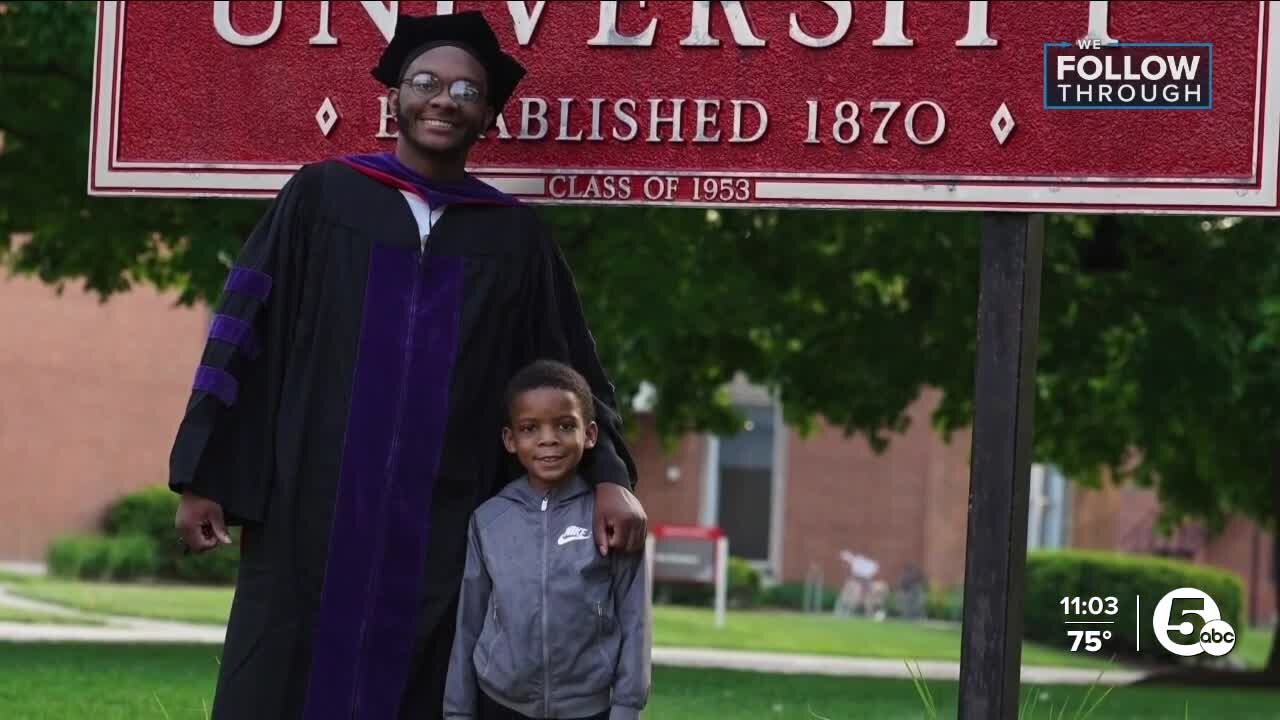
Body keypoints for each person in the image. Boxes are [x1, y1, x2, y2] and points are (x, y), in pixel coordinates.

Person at [168, 11, 646, 719]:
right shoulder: (322, 196)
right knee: (282, 674)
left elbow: (568, 369)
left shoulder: (513, 238)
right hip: (311, 503)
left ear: (488, 115)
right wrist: (205, 474)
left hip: (445, 518)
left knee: (426, 685)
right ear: (395, 95)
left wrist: (610, 477)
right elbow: (243, 336)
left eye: (466, 90)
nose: (444, 98)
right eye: (426, 81)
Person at [444, 360, 650, 720]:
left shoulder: (609, 517)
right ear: (510, 440)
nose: (548, 438)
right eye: (530, 428)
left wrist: (626, 708)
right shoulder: (489, 520)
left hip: (588, 709)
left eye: (565, 425)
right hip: (502, 703)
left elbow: (635, 619)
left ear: (589, 435)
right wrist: (458, 711)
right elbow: (468, 621)